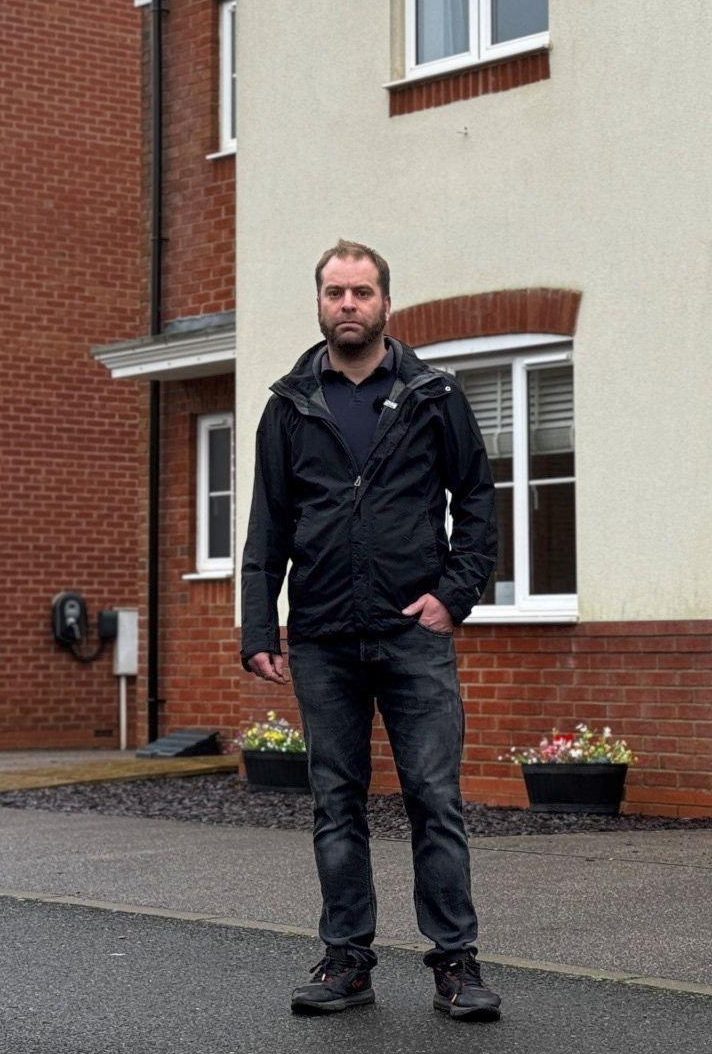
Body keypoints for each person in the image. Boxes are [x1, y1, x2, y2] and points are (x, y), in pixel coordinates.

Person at [241, 240, 503, 1022]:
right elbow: (268, 525)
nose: (347, 304)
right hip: (321, 637)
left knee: (433, 797)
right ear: (319, 304)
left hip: (411, 635)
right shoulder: (288, 404)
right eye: (334, 292)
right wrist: (261, 624)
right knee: (336, 802)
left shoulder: (433, 394)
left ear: (386, 302)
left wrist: (453, 597)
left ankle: (456, 963)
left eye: (361, 291)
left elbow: (478, 503)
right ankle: (347, 961)